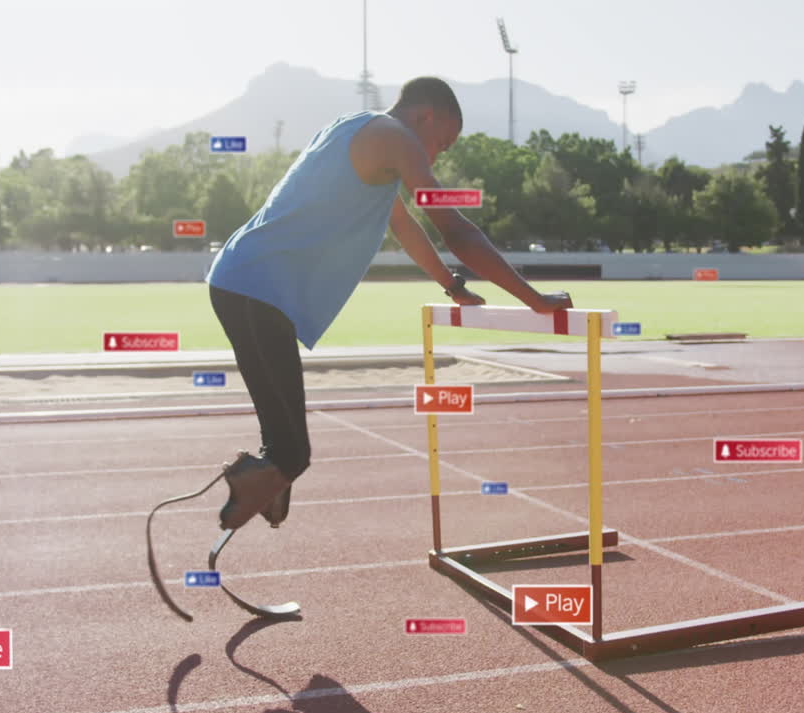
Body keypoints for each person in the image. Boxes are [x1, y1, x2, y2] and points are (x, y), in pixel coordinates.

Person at [205, 76, 573, 532]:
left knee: (282, 445)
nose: (437, 156)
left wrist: (450, 285)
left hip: (235, 282)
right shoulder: (396, 139)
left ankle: (267, 480)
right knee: (293, 454)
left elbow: (404, 226)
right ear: (426, 116)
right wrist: (534, 299)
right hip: (258, 292)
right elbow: (455, 230)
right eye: (442, 142)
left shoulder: (356, 130)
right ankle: (257, 479)